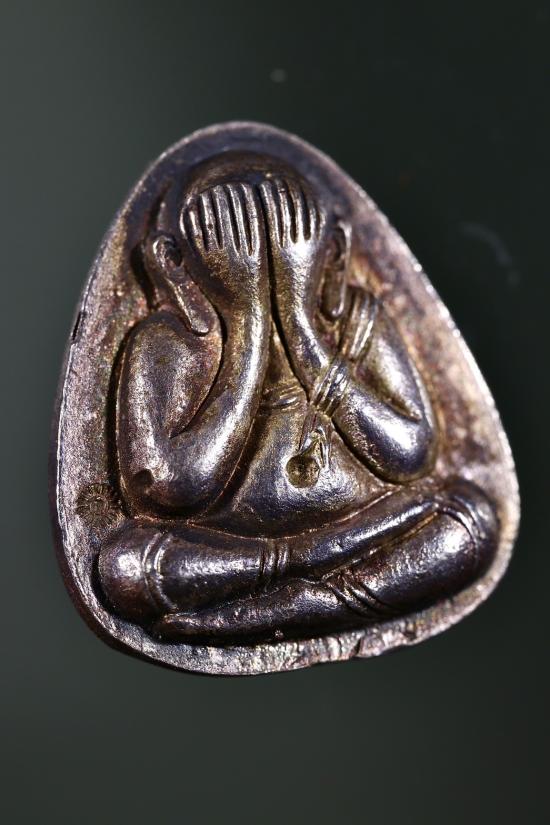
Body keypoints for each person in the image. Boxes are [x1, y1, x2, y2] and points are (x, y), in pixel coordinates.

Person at [99, 164, 497, 644]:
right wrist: (249, 326)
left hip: (365, 523)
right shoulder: (164, 343)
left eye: (287, 238)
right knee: (126, 569)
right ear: (173, 262)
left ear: (336, 251)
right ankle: (303, 577)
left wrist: (299, 323)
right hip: (237, 550)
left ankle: (291, 606)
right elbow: (172, 488)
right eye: (238, 239)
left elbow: (411, 455)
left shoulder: (358, 318)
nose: (266, 266)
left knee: (470, 519)